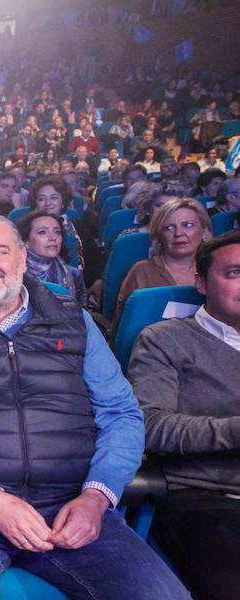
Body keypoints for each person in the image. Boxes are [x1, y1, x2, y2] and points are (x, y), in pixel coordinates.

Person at [0, 212, 189, 600]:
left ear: (23, 257)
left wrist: (98, 496)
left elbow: (121, 413)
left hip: (70, 498)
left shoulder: (73, 320)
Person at [128, 231, 240, 600]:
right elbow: (150, 426)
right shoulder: (165, 340)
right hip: (206, 497)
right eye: (235, 273)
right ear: (201, 283)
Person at [116, 197, 213, 326]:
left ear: (204, 232)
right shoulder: (142, 271)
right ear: (159, 236)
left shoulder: (215, 269)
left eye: (188, 225)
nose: (178, 233)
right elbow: (124, 328)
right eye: (169, 228)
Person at [17, 210, 88, 306]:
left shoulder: (74, 274)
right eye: (42, 232)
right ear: (25, 241)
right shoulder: (15, 275)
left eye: (57, 232)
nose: (53, 238)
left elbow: (81, 311)